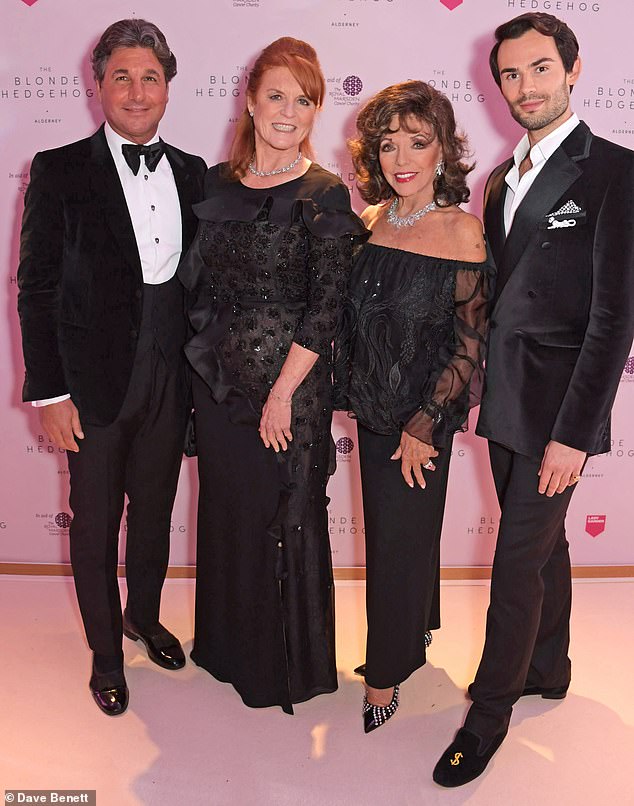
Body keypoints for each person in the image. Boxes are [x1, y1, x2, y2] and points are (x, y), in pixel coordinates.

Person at [434, 13, 634, 786]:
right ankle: (549, 666)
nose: (525, 87)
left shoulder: (614, 172)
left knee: (516, 559)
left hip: (560, 410)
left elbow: (614, 320)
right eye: (511, 74)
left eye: (540, 68)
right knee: (545, 546)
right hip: (504, 402)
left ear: (572, 70)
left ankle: (488, 715)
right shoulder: (498, 179)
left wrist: (576, 435)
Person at [17, 19, 206, 716]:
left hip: (171, 374)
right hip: (91, 381)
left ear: (168, 87)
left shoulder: (193, 172)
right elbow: (35, 288)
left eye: (150, 77)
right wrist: (49, 393)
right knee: (96, 522)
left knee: (154, 512)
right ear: (97, 85)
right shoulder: (59, 168)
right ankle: (105, 655)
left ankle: (144, 618)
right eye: (121, 76)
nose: (136, 91)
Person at [178, 37, 366, 714]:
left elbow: (327, 306)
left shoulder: (323, 192)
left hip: (288, 387)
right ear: (251, 102)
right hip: (218, 384)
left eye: (304, 100)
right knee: (228, 513)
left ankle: (280, 671)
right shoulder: (215, 184)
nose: (289, 111)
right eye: (277, 96)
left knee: (283, 517)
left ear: (316, 111)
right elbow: (195, 284)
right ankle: (227, 650)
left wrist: (283, 393)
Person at [334, 81, 493, 732]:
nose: (401, 158)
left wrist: (426, 424)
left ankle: (384, 675)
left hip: (422, 418)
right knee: (398, 536)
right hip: (373, 410)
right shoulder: (372, 220)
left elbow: (469, 343)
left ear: (442, 150)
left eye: (417, 143)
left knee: (396, 545)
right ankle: (415, 632)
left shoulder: (463, 231)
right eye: (388, 144)